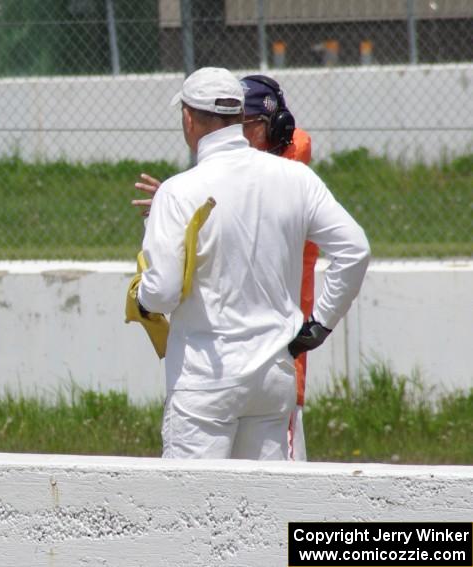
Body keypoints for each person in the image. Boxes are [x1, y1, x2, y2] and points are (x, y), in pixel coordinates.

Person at [131, 67, 369, 460]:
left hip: (203, 381)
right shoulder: (297, 178)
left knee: (192, 512)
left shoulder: (177, 191)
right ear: (239, 115)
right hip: (274, 376)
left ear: (189, 119)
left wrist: (142, 296)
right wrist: (319, 325)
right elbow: (355, 249)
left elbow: (162, 294)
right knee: (267, 512)